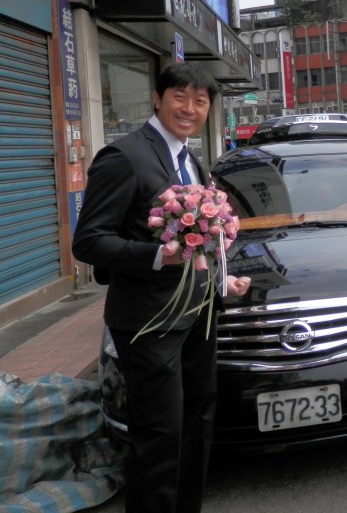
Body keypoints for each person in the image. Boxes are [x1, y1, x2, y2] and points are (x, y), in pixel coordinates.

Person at [72, 63, 251, 513]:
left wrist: (220, 276)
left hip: (197, 314)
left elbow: (198, 240)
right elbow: (89, 241)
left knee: (197, 424)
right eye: (179, 97)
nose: (189, 109)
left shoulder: (191, 160)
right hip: (148, 322)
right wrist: (157, 256)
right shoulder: (125, 156)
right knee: (159, 435)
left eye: (200, 101)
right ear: (157, 98)